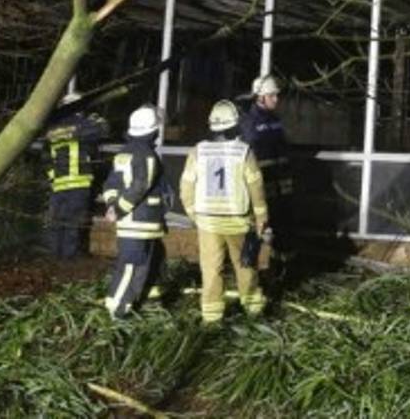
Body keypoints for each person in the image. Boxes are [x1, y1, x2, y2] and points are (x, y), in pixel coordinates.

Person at [180, 99, 269, 323]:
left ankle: (211, 318)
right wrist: (261, 217)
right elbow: (256, 187)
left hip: (207, 222)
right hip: (238, 220)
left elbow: (186, 187)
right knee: (245, 264)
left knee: (211, 269)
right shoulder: (244, 152)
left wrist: (193, 214)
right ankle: (253, 310)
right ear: (234, 125)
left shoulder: (198, 151)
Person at [102, 104, 167, 319]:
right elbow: (141, 186)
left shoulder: (123, 154)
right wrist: (119, 209)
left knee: (143, 264)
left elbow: (111, 184)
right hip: (141, 221)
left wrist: (112, 205)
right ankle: (117, 312)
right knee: (131, 267)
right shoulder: (147, 155)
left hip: (131, 222)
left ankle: (143, 302)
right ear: (153, 131)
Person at [43, 91, 108, 258]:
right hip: (78, 184)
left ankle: (54, 257)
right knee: (73, 223)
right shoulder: (82, 125)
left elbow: (46, 156)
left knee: (56, 222)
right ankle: (68, 259)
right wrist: (96, 119)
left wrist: (53, 176)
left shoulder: (52, 128)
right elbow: (103, 129)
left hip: (58, 184)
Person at [241, 73, 292, 254]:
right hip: (261, 185)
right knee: (259, 229)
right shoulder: (249, 122)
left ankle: (279, 260)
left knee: (279, 228)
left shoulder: (275, 120)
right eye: (272, 95)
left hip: (279, 185)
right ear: (260, 97)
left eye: (276, 95)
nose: (276, 99)